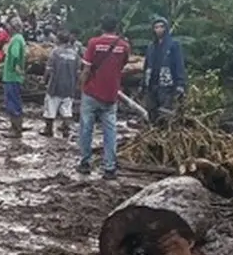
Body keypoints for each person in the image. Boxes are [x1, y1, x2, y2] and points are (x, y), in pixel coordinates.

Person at [78, 15, 131, 180]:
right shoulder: (124, 46)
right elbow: (122, 66)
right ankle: (109, 167)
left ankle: (85, 163)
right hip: (111, 95)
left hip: (91, 92)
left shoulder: (94, 43)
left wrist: (81, 87)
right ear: (116, 28)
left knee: (86, 128)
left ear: (101, 26)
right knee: (110, 131)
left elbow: (86, 70)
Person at [144, 15, 186, 124]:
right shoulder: (151, 46)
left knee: (165, 113)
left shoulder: (173, 45)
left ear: (166, 28)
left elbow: (179, 64)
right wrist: (142, 83)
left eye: (161, 27)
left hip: (167, 85)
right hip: (152, 83)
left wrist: (180, 84)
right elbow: (146, 65)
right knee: (151, 112)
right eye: (156, 27)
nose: (159, 29)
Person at [42, 30, 81, 138]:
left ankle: (48, 129)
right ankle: (66, 129)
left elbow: (49, 69)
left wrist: (43, 80)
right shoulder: (75, 54)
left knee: (50, 107)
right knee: (67, 109)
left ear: (58, 40)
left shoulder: (55, 52)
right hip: (70, 86)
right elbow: (78, 71)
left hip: (56, 85)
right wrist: (78, 84)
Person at [1, 17, 27, 137]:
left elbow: (15, 55)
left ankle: (15, 129)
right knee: (15, 100)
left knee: (12, 102)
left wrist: (16, 66)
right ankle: (17, 127)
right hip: (13, 76)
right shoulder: (19, 38)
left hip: (12, 76)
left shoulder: (16, 40)